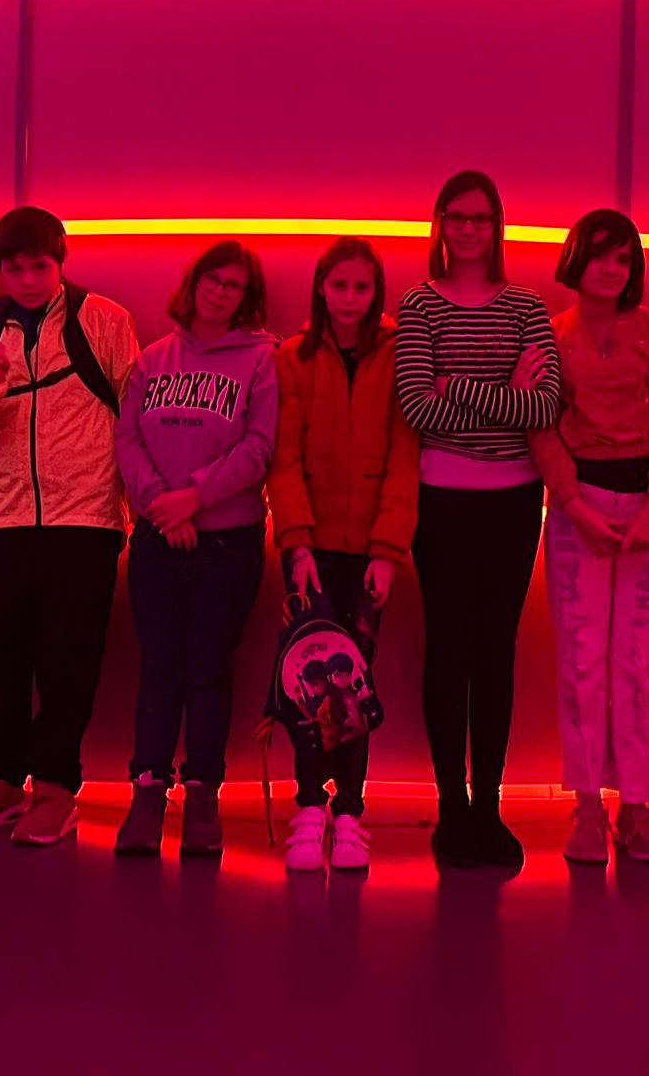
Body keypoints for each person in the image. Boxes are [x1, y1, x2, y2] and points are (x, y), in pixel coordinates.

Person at [0, 207, 140, 844]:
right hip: (4, 513)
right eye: (15, 268)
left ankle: (54, 787)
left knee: (68, 657)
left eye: (39, 266)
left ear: (61, 261)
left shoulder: (104, 320)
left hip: (86, 516)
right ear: (0, 269)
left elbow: (134, 412)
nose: (27, 279)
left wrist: (139, 503)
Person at [395, 170, 562, 869]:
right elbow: (415, 407)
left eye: (480, 218)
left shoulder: (526, 306)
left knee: (496, 653)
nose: (468, 229)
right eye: (456, 217)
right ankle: (451, 808)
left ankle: (488, 806)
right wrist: (503, 396)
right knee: (448, 649)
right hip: (441, 501)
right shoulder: (419, 305)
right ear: (439, 224)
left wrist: (457, 386)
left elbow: (546, 407)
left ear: (497, 227)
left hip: (515, 502)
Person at [531, 209, 649, 866]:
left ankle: (638, 806)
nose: (610, 268)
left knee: (641, 664)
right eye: (599, 254)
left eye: (623, 258)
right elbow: (541, 425)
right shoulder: (552, 334)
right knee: (580, 662)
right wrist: (571, 502)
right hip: (579, 513)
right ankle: (587, 806)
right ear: (575, 258)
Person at [114, 241, 280, 860]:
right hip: (157, 535)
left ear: (247, 298)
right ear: (194, 283)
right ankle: (148, 792)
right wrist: (162, 505)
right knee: (158, 672)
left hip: (228, 541)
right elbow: (127, 437)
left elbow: (260, 445)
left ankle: (204, 794)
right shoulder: (153, 358)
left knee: (209, 673)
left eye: (234, 285)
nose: (220, 292)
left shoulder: (263, 358)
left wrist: (195, 499)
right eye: (213, 280)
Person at [267, 237, 419, 872]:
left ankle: (350, 812)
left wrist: (387, 551)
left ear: (376, 290)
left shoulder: (401, 352)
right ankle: (309, 807)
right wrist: (297, 542)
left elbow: (406, 458)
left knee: (355, 685)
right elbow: (284, 458)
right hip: (309, 550)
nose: (350, 298)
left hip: (369, 554)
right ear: (321, 289)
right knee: (309, 682)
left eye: (362, 287)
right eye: (339, 286)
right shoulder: (293, 356)